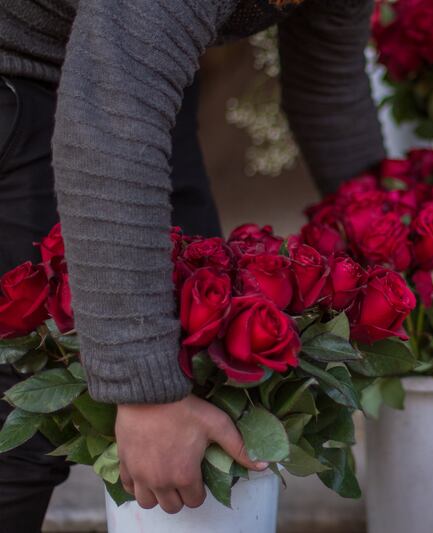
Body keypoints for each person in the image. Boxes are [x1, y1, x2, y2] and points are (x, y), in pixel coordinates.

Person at [0, 0, 384, 529]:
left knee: (206, 356)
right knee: (15, 440)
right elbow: (111, 127)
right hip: (24, 82)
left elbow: (329, 86)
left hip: (138, 83)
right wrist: (148, 398)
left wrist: (387, 243)